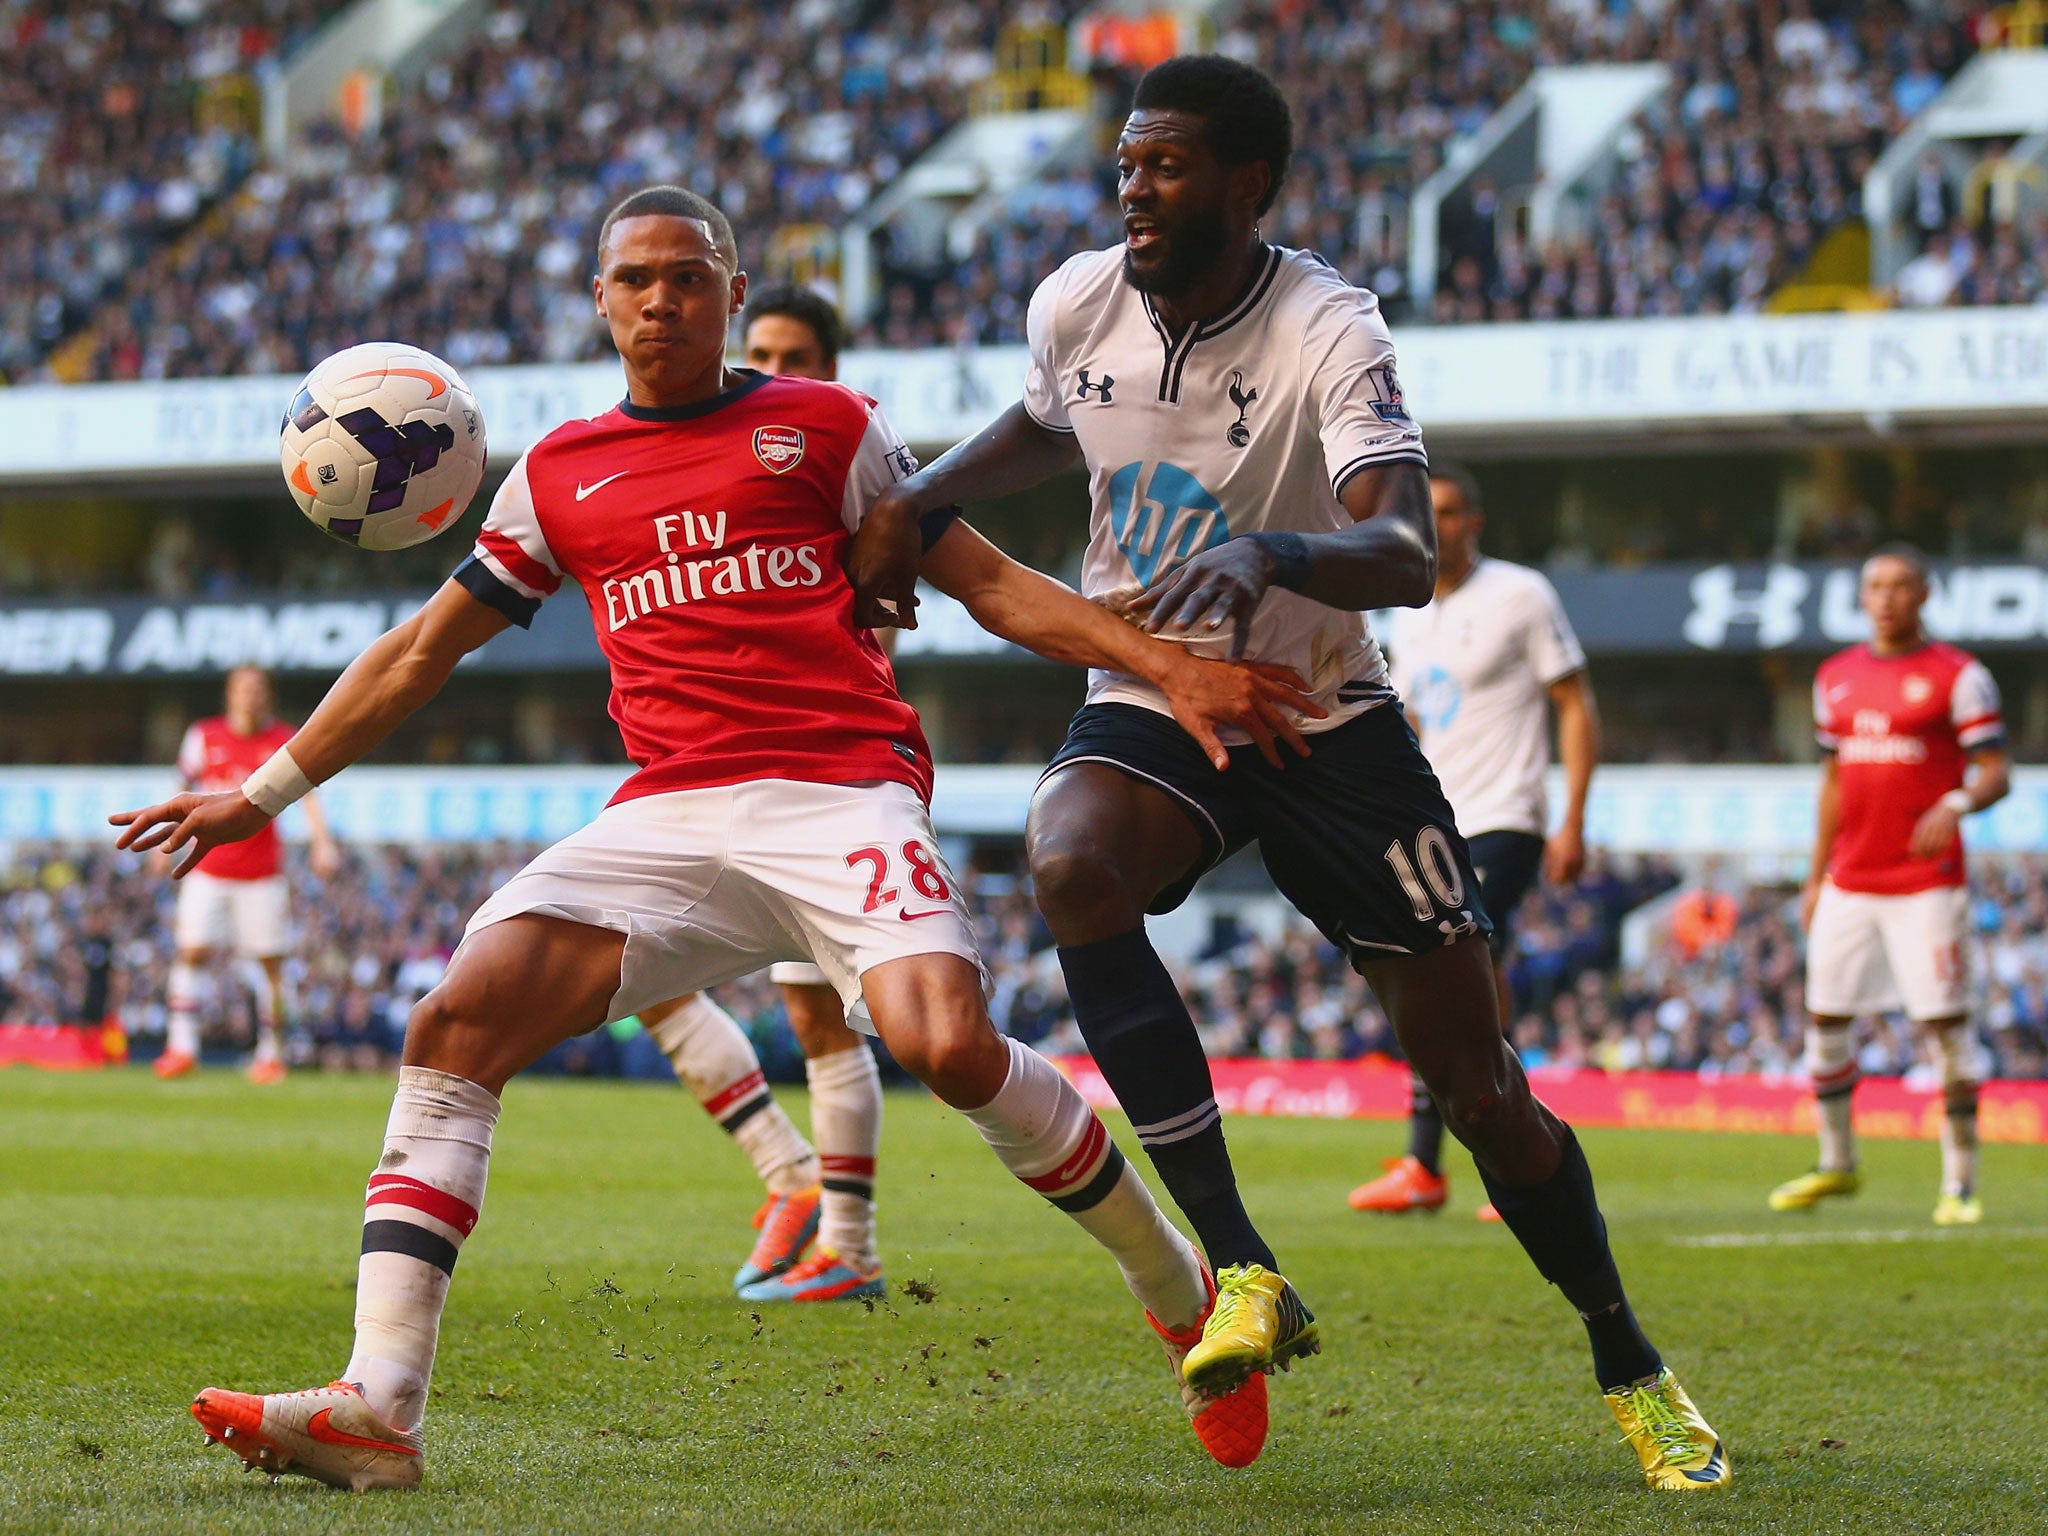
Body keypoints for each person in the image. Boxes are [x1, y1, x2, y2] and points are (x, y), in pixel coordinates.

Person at [115, 184, 1315, 1488]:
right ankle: (380, 1406)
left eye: (688, 276)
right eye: (634, 277)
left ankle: (1177, 1282)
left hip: (841, 789)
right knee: (457, 1023)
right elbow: (418, 654)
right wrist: (263, 791)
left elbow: (995, 589)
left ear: (732, 294)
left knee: (946, 1044)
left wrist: (1167, 671)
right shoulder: (559, 475)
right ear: (600, 298)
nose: (660, 298)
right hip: (670, 811)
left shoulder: (828, 425)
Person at [848, 56, 1727, 1491]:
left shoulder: (1331, 324)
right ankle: (1242, 1266)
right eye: (1128, 162)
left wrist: (1273, 551)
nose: (1136, 187)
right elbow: (1051, 418)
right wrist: (926, 491)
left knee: (1478, 1080)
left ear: (1249, 183)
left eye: (1170, 165)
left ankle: (1626, 1352)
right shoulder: (1076, 298)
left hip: (1325, 718)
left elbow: (1398, 550)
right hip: (1156, 690)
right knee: (1069, 860)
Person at [636, 286, 892, 1304]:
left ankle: (849, 1247)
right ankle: (788, 1176)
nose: (772, 368)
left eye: (794, 355)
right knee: (635, 970)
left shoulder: (844, 459)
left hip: (824, 772)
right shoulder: (722, 451)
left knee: (828, 1020)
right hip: (712, 769)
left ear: (828, 368)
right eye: (762, 351)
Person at [1347, 464, 1599, 1221]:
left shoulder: (1521, 595)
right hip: (1436, 818)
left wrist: (1573, 818)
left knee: (1453, 960)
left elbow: (1574, 702)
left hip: (1507, 814)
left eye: (1453, 511)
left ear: (1475, 521)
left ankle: (1438, 1161)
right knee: (1463, 976)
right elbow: (1413, 724)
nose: (1440, 524)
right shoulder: (1407, 611)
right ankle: (1519, 1147)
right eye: (1429, 512)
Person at [1772, 545, 2009, 1225]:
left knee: (1943, 1024)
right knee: (1826, 1019)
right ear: (1863, 596)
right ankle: (1836, 1163)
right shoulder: (1836, 677)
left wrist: (1956, 804)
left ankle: (1959, 1184)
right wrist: (1814, 877)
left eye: (1901, 586)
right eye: (1875, 586)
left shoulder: (1959, 676)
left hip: (1926, 882)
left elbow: (1996, 770)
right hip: (1852, 876)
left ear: (1925, 595)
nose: (1887, 597)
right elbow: (1834, 783)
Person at [156, 665, 341, 1083]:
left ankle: (271, 1052)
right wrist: (164, 840)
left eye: (257, 688)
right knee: (191, 951)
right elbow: (180, 788)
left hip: (261, 873)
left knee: (270, 963)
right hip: (209, 868)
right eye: (242, 688)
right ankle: (181, 1047)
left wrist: (321, 841)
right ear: (230, 694)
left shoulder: (283, 740)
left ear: (267, 695)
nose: (250, 696)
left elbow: (309, 793)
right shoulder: (204, 736)